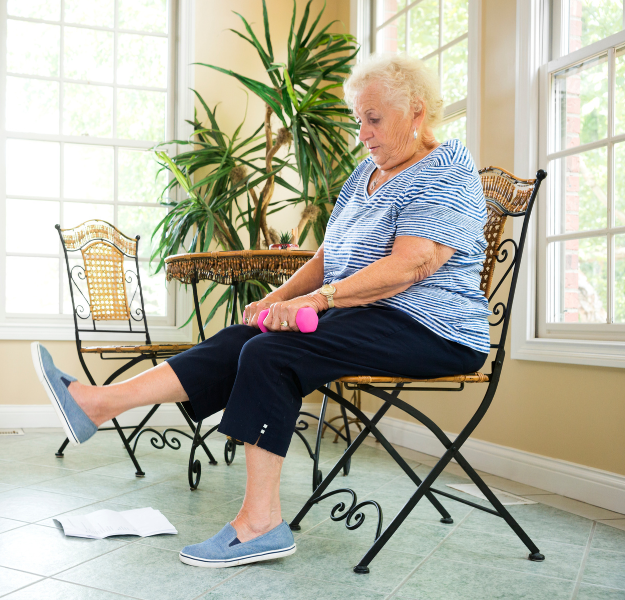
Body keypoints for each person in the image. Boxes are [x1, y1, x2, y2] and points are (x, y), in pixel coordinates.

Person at [32, 53, 490, 569]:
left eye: (374, 119)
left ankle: (260, 524)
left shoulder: (447, 168)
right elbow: (326, 257)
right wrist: (275, 300)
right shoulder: (367, 172)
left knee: (273, 355)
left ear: (417, 113)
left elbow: (413, 265)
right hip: (364, 317)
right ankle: (97, 404)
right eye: (357, 120)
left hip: (433, 328)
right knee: (242, 338)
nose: (362, 133)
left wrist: (316, 302)